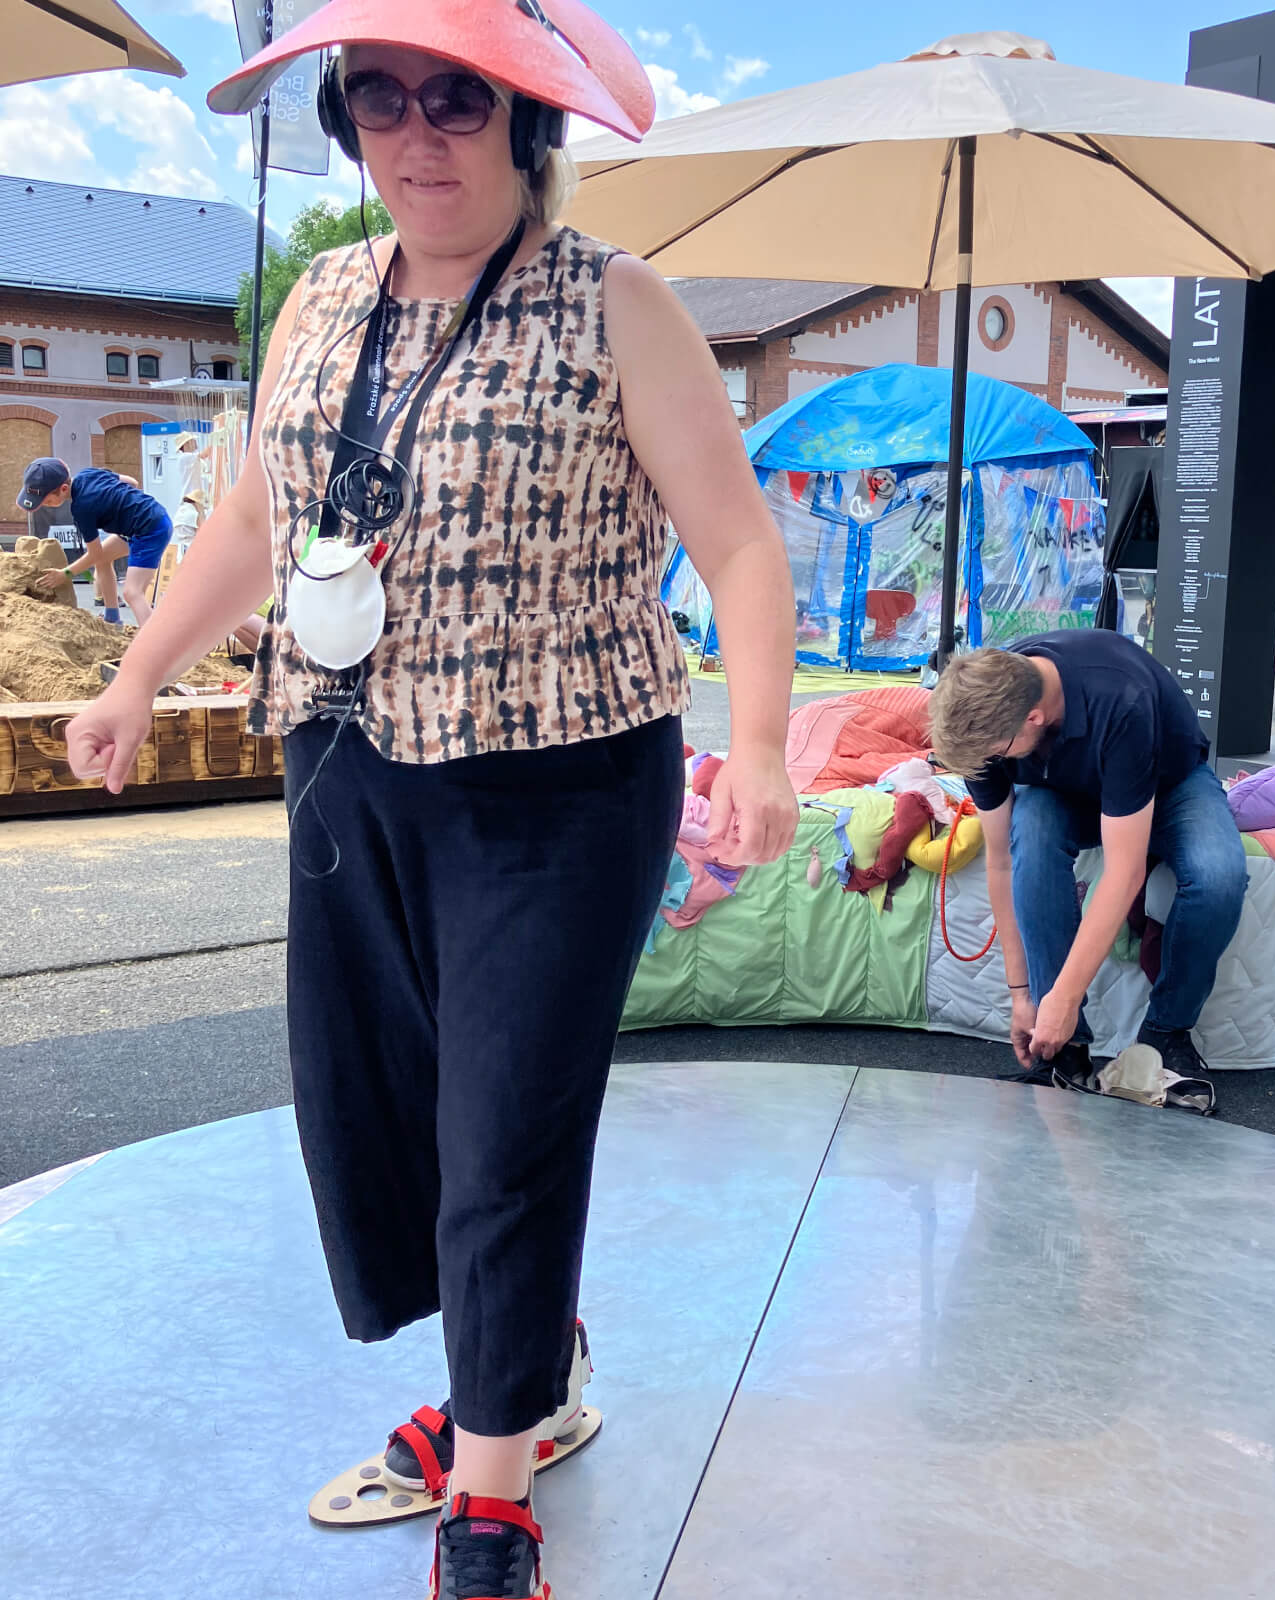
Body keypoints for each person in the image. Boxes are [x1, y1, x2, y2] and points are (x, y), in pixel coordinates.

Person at [62, 5, 798, 1596]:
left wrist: (766, 747)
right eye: (375, 100)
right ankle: (531, 1360)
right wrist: (136, 677)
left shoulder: (621, 306)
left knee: (504, 1132)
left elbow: (738, 543)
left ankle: (490, 1497)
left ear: (527, 124)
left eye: (456, 98)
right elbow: (258, 517)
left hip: (563, 785)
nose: (415, 133)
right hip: (348, 765)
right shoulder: (323, 298)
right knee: (388, 1113)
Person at [929, 631, 1248, 1106]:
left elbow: (1125, 871)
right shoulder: (987, 715)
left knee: (1219, 874)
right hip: (1066, 792)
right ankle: (1064, 1048)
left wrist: (1066, 995)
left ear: (1033, 718)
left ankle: (1165, 1034)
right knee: (1031, 832)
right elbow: (1002, 860)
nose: (991, 766)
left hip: (1168, 784)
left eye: (997, 754)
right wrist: (1025, 998)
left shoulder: (1121, 700)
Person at [16, 457, 173, 626]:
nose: (45, 506)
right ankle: (112, 617)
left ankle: (158, 646)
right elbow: (132, 482)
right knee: (105, 560)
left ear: (63, 488)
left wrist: (65, 574)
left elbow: (94, 553)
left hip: (150, 530)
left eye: (47, 501)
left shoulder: (82, 508)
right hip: (148, 518)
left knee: (132, 593)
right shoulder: (87, 474)